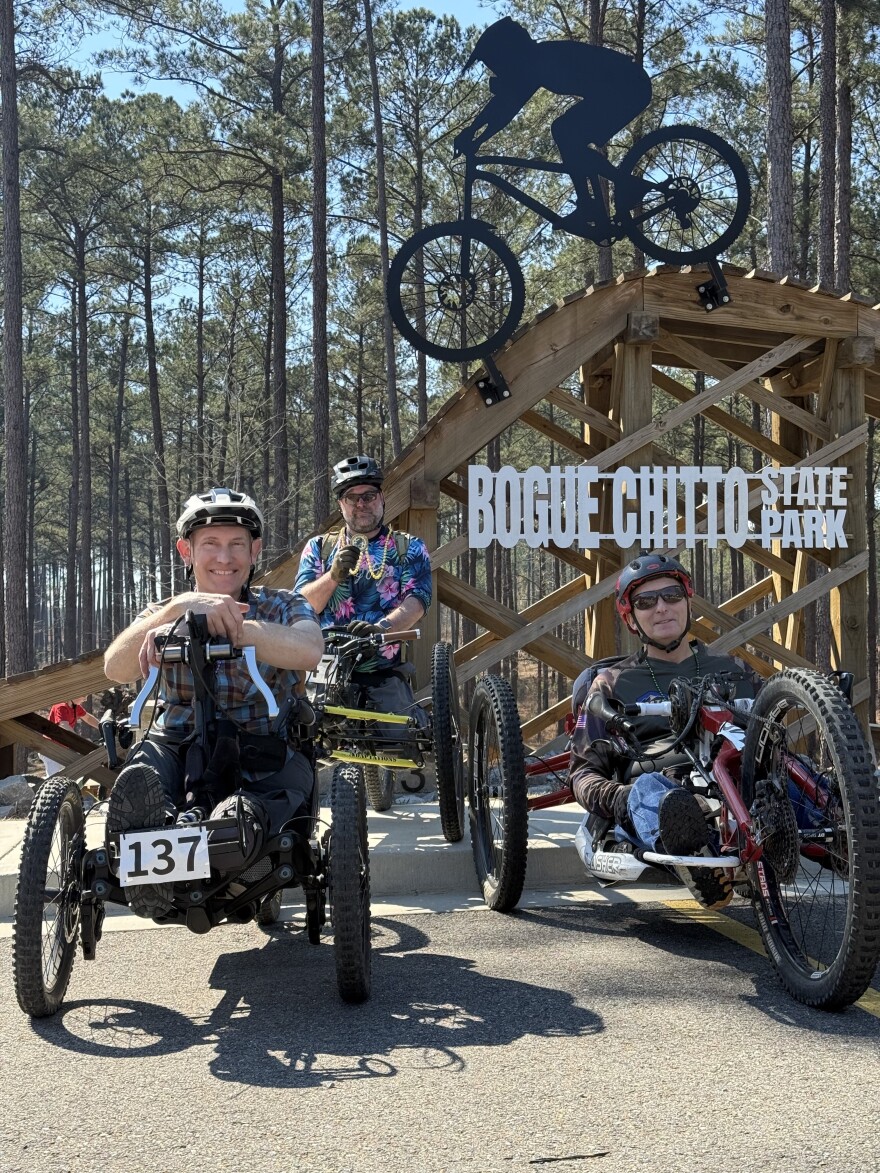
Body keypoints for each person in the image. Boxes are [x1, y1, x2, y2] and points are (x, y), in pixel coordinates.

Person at [104, 487, 324, 918]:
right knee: (145, 771)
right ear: (186, 551)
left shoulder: (283, 604)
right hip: (177, 745)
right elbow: (115, 666)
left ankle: (236, 830)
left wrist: (238, 628)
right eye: (210, 544)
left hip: (262, 747)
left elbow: (309, 650)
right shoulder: (163, 611)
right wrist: (184, 609)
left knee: (267, 793)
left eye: (236, 544)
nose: (224, 557)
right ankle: (155, 840)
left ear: (254, 550)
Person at [569, 552, 761, 909]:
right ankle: (697, 856)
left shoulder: (735, 670)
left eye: (672, 596)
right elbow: (583, 773)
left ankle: (850, 839)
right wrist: (621, 798)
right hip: (664, 782)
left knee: (794, 778)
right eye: (646, 601)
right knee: (651, 792)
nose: (661, 608)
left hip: (738, 780)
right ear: (631, 617)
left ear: (688, 602)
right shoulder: (611, 684)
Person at [453, 17, 653, 233]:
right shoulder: (537, 59)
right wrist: (474, 134)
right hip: (626, 86)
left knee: (564, 131)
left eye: (494, 63)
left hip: (628, 87)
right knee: (569, 136)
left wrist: (475, 136)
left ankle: (599, 200)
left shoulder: (539, 61)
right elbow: (505, 103)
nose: (496, 70)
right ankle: (606, 196)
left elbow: (507, 105)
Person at [295, 455, 433, 738]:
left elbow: (417, 602)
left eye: (368, 496)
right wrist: (332, 576)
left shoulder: (409, 547)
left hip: (383, 669)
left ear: (381, 498)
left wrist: (381, 629)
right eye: (352, 497)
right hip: (325, 669)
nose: (361, 504)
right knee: (304, 737)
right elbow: (301, 605)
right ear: (340, 504)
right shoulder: (319, 548)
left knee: (401, 740)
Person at [39, 697, 100, 777]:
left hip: (62, 748)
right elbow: (64, 725)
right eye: (84, 696)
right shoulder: (61, 706)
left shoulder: (75, 706)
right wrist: (80, 741)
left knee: (68, 775)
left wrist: (102, 726)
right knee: (54, 777)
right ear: (75, 695)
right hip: (49, 747)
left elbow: (88, 718)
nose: (85, 699)